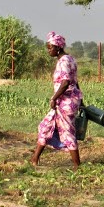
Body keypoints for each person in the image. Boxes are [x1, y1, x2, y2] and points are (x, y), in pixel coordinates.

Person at [31, 32, 83, 170]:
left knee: (68, 132)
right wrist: (81, 101)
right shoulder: (70, 59)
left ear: (58, 48)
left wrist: (54, 98)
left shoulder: (64, 61)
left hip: (65, 102)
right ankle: (34, 159)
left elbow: (66, 82)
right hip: (67, 101)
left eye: (50, 48)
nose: (49, 50)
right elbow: (75, 82)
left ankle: (77, 166)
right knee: (45, 126)